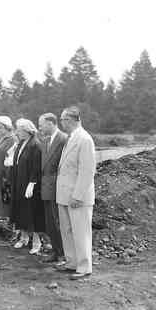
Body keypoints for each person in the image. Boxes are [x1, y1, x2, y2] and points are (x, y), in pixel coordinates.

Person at [56, 106, 96, 280]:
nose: (61, 123)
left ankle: (84, 267)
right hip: (64, 194)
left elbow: (87, 171)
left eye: (63, 120)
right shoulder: (71, 138)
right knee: (67, 231)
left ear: (72, 120)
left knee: (81, 232)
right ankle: (72, 262)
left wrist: (78, 195)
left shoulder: (84, 139)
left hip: (77, 196)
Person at [10, 118, 45, 254]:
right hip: (19, 182)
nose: (17, 132)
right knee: (20, 210)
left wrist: (32, 183)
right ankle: (24, 237)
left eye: (19, 130)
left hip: (30, 185)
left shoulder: (35, 145)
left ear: (26, 131)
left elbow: (36, 166)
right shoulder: (21, 144)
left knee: (32, 212)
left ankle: (36, 241)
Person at [38, 113, 68, 264]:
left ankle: (63, 254)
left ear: (50, 123)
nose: (39, 127)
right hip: (45, 187)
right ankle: (56, 252)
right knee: (50, 222)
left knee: (58, 221)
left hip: (57, 187)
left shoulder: (63, 139)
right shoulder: (45, 141)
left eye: (41, 124)